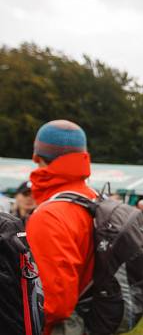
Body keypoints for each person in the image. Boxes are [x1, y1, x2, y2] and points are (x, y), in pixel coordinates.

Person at [25, 120, 96, 334]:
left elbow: (52, 305)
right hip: (91, 318)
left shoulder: (49, 215)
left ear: (37, 157)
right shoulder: (92, 198)